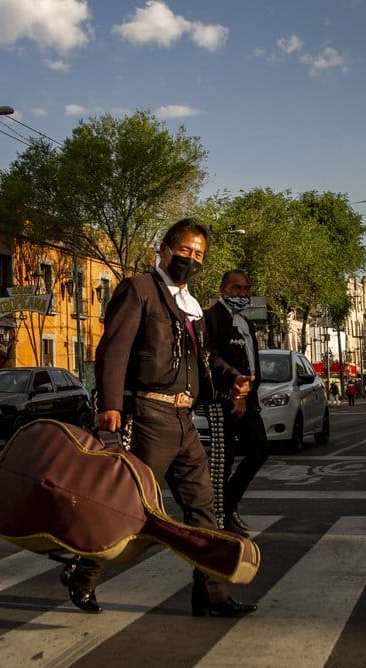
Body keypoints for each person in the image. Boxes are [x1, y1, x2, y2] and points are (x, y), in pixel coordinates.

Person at [67, 218, 257, 619]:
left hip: (184, 417)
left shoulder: (191, 306)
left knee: (204, 507)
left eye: (199, 254)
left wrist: (233, 377)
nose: (191, 259)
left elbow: (205, 358)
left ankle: (211, 593)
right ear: (165, 248)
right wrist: (111, 404)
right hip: (149, 415)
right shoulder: (138, 290)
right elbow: (113, 349)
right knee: (130, 506)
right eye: (186, 250)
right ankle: (83, 572)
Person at [202, 269, 268, 539]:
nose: (242, 294)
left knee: (260, 449)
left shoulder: (245, 323)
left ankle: (229, 503)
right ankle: (217, 521)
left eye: (246, 289)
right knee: (222, 459)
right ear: (223, 290)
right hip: (222, 400)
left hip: (247, 400)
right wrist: (233, 387)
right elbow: (210, 357)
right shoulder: (210, 319)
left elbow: (251, 362)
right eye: (236, 288)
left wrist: (249, 396)